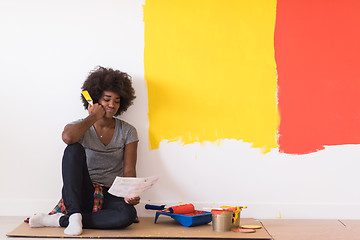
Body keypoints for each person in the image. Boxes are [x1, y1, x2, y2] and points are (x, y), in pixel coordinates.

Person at [29, 66, 140, 235]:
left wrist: (131, 193)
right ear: (94, 100)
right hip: (82, 193)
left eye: (117, 101)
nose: (112, 105)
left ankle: (60, 220)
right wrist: (94, 116)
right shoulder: (81, 126)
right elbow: (67, 138)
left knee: (128, 215)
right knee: (72, 149)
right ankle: (74, 215)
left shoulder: (128, 131)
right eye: (107, 99)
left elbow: (129, 169)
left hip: (111, 193)